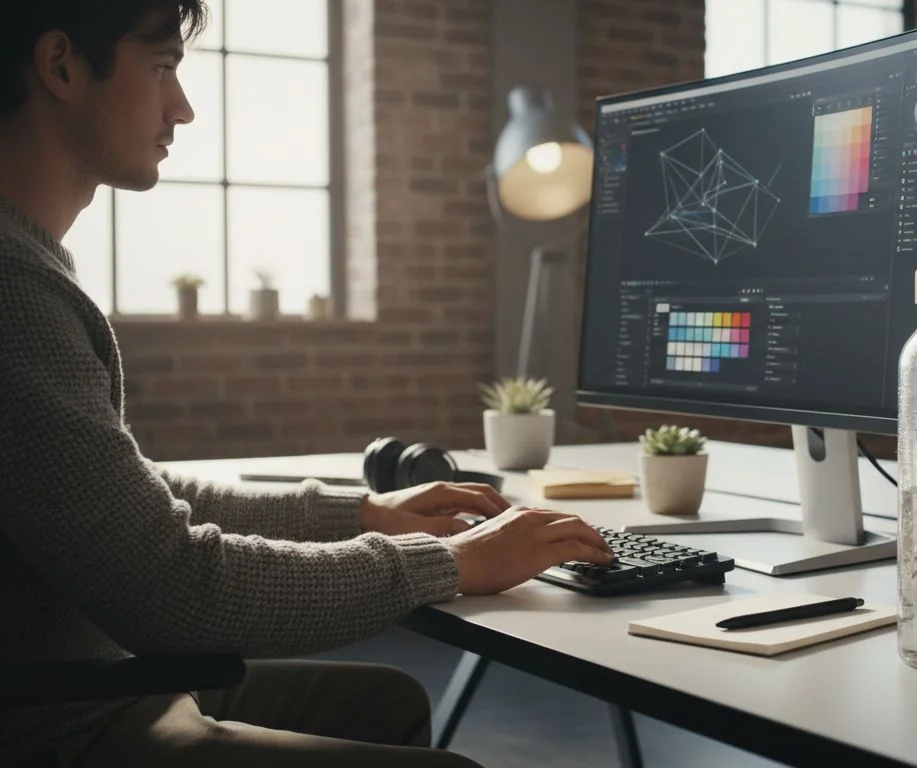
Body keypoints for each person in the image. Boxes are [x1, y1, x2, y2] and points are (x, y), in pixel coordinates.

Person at [0, 1, 614, 765]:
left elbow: (131, 504)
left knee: (386, 703)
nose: (182, 108)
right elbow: (175, 587)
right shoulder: (15, 296)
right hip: (61, 726)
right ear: (60, 66)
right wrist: (452, 562)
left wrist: (363, 513)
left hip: (98, 680)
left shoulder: (30, 268)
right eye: (161, 68)